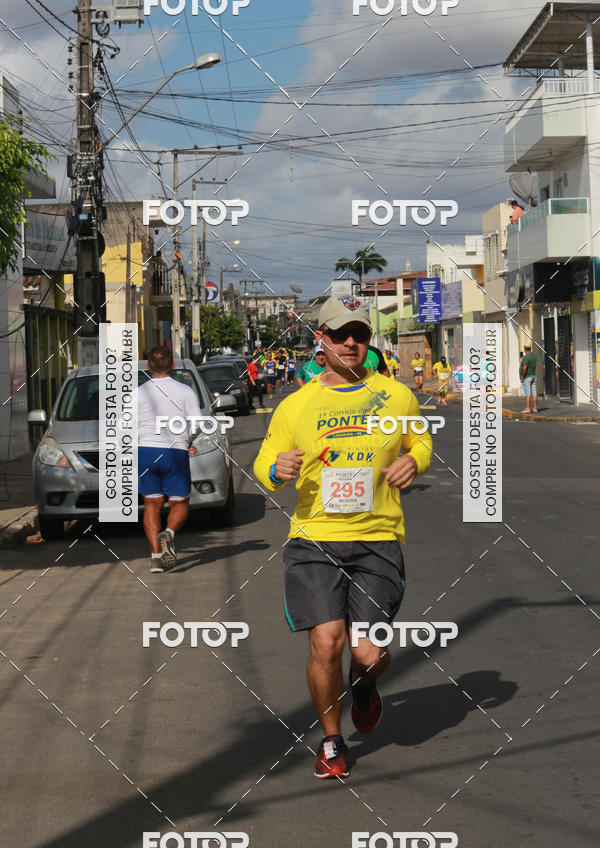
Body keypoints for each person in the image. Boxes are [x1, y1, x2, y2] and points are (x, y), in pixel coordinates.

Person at [254, 296, 432, 780]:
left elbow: (421, 439)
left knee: (367, 653)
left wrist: (414, 461)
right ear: (323, 341)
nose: (351, 342)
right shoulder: (296, 406)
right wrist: (276, 467)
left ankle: (365, 686)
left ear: (368, 341)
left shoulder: (396, 396)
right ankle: (332, 741)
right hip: (315, 539)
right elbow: (265, 464)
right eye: (339, 334)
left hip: (377, 538)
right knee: (326, 642)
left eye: (360, 334)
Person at [138, 346, 201, 573]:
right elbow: (196, 424)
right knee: (180, 501)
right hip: (175, 450)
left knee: (151, 504)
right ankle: (170, 533)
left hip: (145, 451)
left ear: (148, 367)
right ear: (172, 367)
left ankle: (156, 557)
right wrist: (187, 440)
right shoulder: (185, 391)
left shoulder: (137, 393)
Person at [520, 343, 538, 413]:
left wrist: (522, 376)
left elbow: (524, 367)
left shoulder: (527, 357)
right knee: (534, 393)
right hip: (533, 375)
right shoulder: (534, 356)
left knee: (528, 393)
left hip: (527, 376)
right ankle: (535, 408)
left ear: (525, 349)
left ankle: (527, 408)